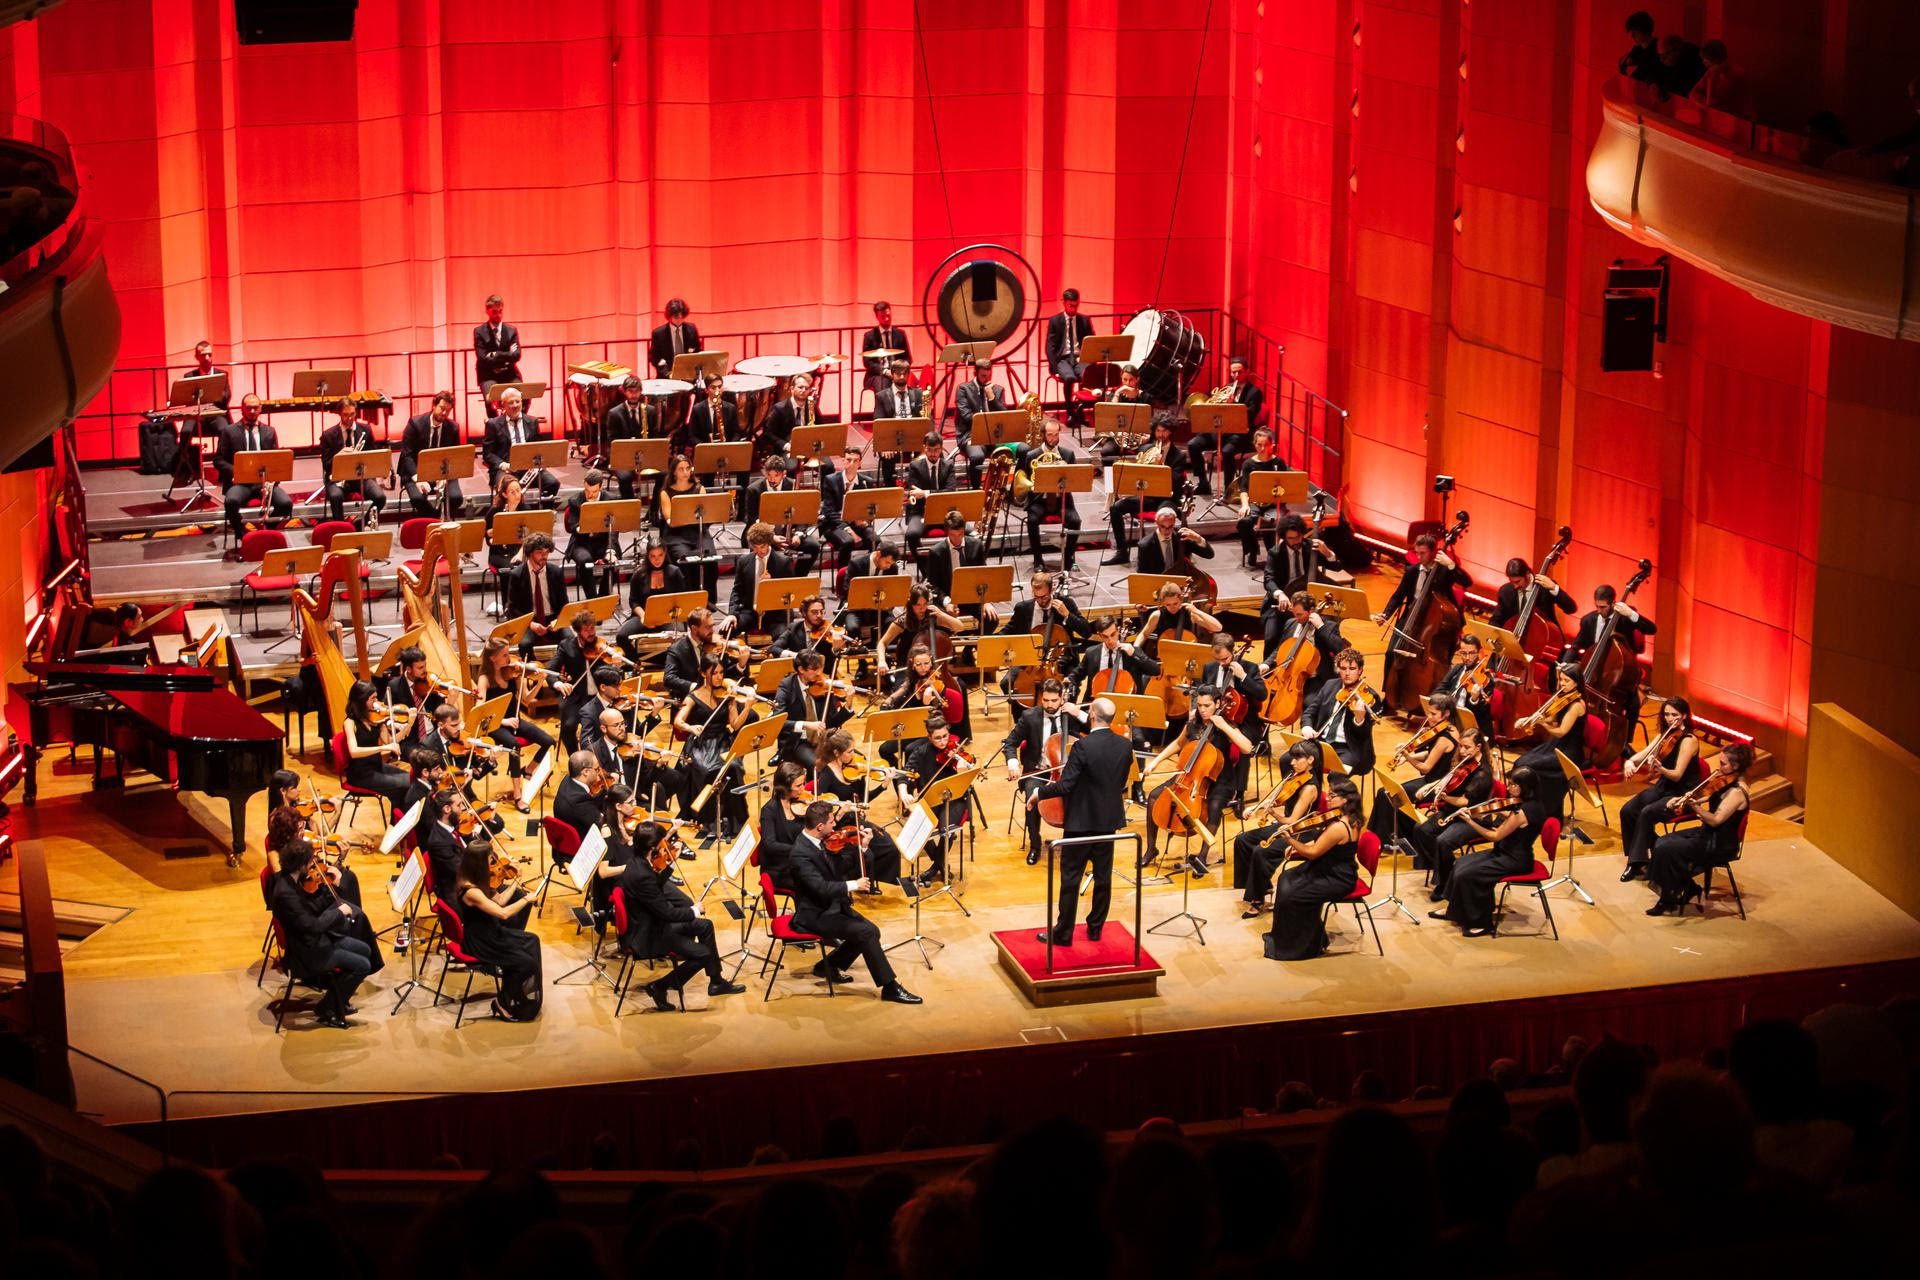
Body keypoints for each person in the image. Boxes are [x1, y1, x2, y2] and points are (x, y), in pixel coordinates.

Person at [787, 800, 922, 1003]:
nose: (836, 826)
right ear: (820, 826)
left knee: (871, 931)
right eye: (832, 822)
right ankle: (890, 987)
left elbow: (843, 867)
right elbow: (821, 888)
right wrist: (854, 885)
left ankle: (828, 966)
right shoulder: (800, 854)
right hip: (815, 914)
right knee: (866, 932)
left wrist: (863, 849)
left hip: (834, 906)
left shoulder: (823, 841)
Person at [1029, 697, 1133, 946]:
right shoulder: (1124, 745)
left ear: (1093, 716)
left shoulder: (1082, 748)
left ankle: (1063, 934)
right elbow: (1121, 783)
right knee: (1103, 877)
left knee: (1071, 878)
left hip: (1081, 823)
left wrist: (1039, 793)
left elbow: (1066, 786)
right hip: (1108, 821)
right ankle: (1095, 928)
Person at [619, 825, 746, 1010]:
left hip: (652, 925)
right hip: (649, 936)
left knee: (706, 926)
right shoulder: (641, 875)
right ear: (653, 846)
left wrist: (670, 864)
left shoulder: (636, 861)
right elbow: (667, 913)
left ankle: (716, 982)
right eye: (663, 841)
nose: (666, 844)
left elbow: (654, 889)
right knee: (704, 954)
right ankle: (659, 986)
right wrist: (693, 910)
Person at [1141, 688, 1253, 878]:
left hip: (1220, 779)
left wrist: (1224, 726)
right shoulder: (1193, 724)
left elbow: (1247, 748)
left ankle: (1202, 856)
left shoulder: (1226, 724)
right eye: (1199, 705)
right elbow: (1178, 744)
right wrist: (1155, 761)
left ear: (1217, 704)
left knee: (1214, 806)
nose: (1202, 710)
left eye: (1207, 706)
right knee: (1153, 796)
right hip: (1190, 775)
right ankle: (1151, 849)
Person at [270, 838, 376, 1029]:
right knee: (363, 965)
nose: (313, 864)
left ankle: (332, 1002)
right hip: (307, 953)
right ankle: (330, 1010)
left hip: (314, 941)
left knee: (365, 949)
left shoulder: (291, 879)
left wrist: (332, 886)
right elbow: (313, 925)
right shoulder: (286, 894)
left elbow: (312, 907)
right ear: (301, 864)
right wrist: (339, 912)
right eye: (310, 861)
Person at [1433, 767, 1546, 937]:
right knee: (1460, 863)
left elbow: (1494, 836)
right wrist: (1494, 811)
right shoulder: (1527, 802)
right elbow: (1507, 819)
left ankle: (1482, 923)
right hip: (1504, 852)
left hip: (1515, 860)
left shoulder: (1523, 812)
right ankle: (1454, 910)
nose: (1508, 788)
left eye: (1513, 785)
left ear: (1525, 786)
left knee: (1470, 874)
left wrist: (1470, 820)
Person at [1263, 776, 1362, 959]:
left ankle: (1304, 946)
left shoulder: (1340, 826)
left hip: (1336, 877)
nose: (1327, 798)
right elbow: (1322, 847)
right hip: (1327, 868)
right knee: (1286, 879)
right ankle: (1290, 938)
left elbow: (1313, 852)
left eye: (1332, 796)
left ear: (1346, 799)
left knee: (1293, 895)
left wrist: (1290, 840)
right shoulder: (1345, 817)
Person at [1646, 744, 1752, 915]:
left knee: (1667, 850)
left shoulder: (1737, 793)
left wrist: (1694, 807)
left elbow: (1716, 820)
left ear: (1736, 766)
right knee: (1661, 842)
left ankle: (1668, 898)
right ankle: (1688, 888)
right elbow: (1709, 796)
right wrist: (1681, 799)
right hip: (1707, 834)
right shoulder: (1725, 781)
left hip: (1719, 843)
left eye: (1723, 764)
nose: (1719, 767)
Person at [1000, 677, 1089, 865]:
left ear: (1062, 699)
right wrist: (1013, 763)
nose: (1049, 705)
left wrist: (1080, 714)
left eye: (1054, 701)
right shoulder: (1030, 717)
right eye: (1045, 700)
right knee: (1033, 797)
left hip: (1068, 773)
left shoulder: (1070, 715)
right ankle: (1035, 844)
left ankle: (1076, 843)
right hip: (1038, 771)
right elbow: (1010, 743)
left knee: (1084, 796)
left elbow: (1096, 729)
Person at [453, 841, 543, 1020]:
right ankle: (503, 1002)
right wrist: (526, 900)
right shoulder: (471, 891)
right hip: (481, 941)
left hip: (491, 931)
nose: (494, 863)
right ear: (479, 862)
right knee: (526, 963)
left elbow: (500, 901)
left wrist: (515, 881)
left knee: (532, 940)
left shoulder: (479, 880)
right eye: (490, 860)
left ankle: (515, 996)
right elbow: (503, 913)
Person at [1619, 697, 1704, 881]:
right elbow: (1641, 755)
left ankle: (1635, 864)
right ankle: (1653, 849)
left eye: (1674, 714)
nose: (1669, 718)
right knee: (1627, 811)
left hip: (1681, 794)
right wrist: (1628, 762)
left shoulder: (1689, 740)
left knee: (1646, 813)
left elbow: (1677, 774)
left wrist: (1660, 768)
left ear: (1683, 716)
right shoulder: (1663, 736)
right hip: (1663, 788)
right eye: (1666, 714)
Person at [1235, 742, 1322, 915]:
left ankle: (1258, 899)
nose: (1292, 762)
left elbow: (1292, 821)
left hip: (1300, 832)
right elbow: (1276, 799)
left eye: (1297, 759)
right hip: (1285, 827)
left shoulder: (1310, 788)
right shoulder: (1295, 776)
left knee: (1261, 851)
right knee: (1242, 840)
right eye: (1293, 758)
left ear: (1310, 760)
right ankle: (1263, 887)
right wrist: (1257, 807)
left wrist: (1273, 813)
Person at [814, 729, 907, 890]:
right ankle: (865, 885)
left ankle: (886, 884)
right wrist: (842, 811)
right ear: (837, 753)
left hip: (856, 821)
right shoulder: (826, 777)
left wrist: (884, 785)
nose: (854, 755)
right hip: (839, 829)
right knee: (868, 852)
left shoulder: (855, 771)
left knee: (891, 847)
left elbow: (865, 799)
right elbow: (821, 813)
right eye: (849, 751)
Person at [676, 657, 757, 838]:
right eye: (715, 673)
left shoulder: (727, 696)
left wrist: (747, 707)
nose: (719, 677)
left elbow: (735, 725)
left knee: (734, 767)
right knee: (706, 769)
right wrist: (690, 727)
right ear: (704, 673)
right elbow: (678, 721)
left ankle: (735, 819)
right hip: (701, 743)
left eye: (721, 673)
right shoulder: (693, 697)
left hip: (723, 741)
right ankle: (710, 819)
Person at [1407, 726, 1494, 896]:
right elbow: (1448, 778)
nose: (1462, 751)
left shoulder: (1483, 773)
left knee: (1443, 842)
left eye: (1466, 747)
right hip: (1452, 812)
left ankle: (1445, 881)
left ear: (1478, 747)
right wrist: (1430, 786)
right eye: (1461, 746)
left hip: (1471, 817)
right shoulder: (1464, 761)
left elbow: (1464, 801)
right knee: (1421, 830)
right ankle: (1446, 870)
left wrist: (1443, 797)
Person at [1367, 693, 1458, 845]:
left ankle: (1383, 842)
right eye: (1429, 712)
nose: (1429, 717)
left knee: (1386, 794)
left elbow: (1427, 767)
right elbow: (1432, 753)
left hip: (1435, 786)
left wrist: (1407, 756)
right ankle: (1401, 836)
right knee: (1388, 794)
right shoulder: (1449, 728)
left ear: (1447, 713)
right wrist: (1407, 757)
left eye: (1433, 714)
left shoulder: (1444, 738)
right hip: (1432, 780)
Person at [1102, 418, 1192, 564]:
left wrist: (1160, 466)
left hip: (1167, 498)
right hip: (1148, 496)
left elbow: (1175, 483)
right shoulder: (1145, 449)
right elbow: (1138, 473)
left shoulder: (1178, 456)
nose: (1161, 435)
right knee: (1115, 508)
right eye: (1158, 431)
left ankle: (1168, 555)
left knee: (1165, 514)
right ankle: (1122, 552)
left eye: (1164, 431)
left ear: (1170, 432)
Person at [895, 716, 972, 884]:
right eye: (938, 738)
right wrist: (903, 792)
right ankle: (941, 865)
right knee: (919, 829)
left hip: (954, 800)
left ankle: (936, 867)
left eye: (945, 736)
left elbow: (967, 781)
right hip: (930, 800)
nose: (943, 741)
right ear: (929, 737)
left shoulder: (956, 751)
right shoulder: (921, 752)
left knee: (947, 829)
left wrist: (962, 771)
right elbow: (905, 774)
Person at [1512, 661, 1588, 820]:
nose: (1562, 684)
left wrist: (1541, 724)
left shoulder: (1577, 705)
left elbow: (1560, 731)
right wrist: (1529, 719)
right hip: (1556, 746)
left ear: (1577, 682)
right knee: (1520, 762)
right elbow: (1551, 718)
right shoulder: (1563, 697)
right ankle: (1526, 805)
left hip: (1568, 752)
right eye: (1561, 680)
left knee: (1527, 766)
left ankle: (1541, 810)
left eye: (1567, 681)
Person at [474, 638, 552, 791]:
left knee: (549, 741)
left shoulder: (513, 673)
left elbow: (526, 699)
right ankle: (518, 793)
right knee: (514, 746)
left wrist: (539, 682)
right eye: (504, 654)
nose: (509, 657)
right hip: (496, 725)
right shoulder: (484, 679)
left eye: (508, 653)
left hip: (515, 720)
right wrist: (504, 721)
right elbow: (480, 709)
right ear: (492, 658)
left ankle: (528, 770)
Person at [219, 395, 292, 544]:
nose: (252, 411)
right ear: (242, 409)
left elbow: (276, 461)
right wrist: (237, 471)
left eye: (255, 407)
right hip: (240, 483)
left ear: (260, 409)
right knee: (231, 501)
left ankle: (265, 532)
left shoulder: (269, 432)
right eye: (248, 408)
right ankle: (244, 535)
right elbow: (218, 460)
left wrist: (272, 482)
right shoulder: (229, 431)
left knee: (286, 504)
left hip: (263, 483)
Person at [1188, 356, 1266, 489]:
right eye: (1233, 372)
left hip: (1240, 435)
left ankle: (1228, 488)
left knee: (1227, 451)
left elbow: (1249, 415)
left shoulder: (1255, 392)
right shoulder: (1226, 388)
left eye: (1239, 372)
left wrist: (1232, 404)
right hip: (1220, 431)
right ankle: (1203, 483)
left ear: (1247, 372)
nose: (1236, 375)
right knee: (1193, 444)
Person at [1015, 417, 1082, 571]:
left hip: (1061, 500)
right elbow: (1024, 477)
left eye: (1056, 434)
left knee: (1076, 521)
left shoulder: (1068, 454)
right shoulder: (1032, 455)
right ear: (1043, 435)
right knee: (1032, 521)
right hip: (1039, 500)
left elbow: (1075, 482)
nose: (1053, 438)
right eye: (1050, 435)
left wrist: (1066, 472)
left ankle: (1069, 557)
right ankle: (1038, 560)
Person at [1263, 590, 1345, 708]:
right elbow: (1281, 648)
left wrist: (1320, 627)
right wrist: (1267, 663)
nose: (1296, 618)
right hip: (1289, 675)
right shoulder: (1290, 624)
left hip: (1316, 678)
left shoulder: (1328, 626)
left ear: (1311, 611)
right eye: (1294, 613)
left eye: (1300, 614)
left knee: (1309, 704)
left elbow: (1339, 649)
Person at [773, 651, 853, 771]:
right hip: (799, 741)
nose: (819, 673)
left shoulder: (824, 686)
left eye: (820, 668)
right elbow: (778, 721)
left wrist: (849, 703)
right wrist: (806, 725)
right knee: (818, 766)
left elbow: (833, 722)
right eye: (814, 669)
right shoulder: (787, 687)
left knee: (854, 761)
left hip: (824, 740)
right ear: (801, 669)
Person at [1301, 649, 1377, 774]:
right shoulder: (1330, 685)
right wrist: (1307, 727)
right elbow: (1310, 712)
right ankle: (1314, 792)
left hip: (1349, 749)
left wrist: (1359, 719)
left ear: (1360, 670)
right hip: (1322, 743)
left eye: (1352, 669)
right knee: (1287, 760)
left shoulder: (1370, 697)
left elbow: (1363, 736)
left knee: (1336, 775)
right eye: (1343, 668)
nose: (1347, 673)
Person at [744, 454, 821, 574]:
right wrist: (771, 536)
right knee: (761, 545)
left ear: (784, 473)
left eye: (776, 475)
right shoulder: (754, 489)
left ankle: (798, 578)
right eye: (769, 475)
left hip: (789, 532)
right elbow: (752, 518)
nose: (771, 479)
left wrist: (798, 535)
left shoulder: (793, 485)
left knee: (814, 546)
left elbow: (800, 514)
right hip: (765, 533)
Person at [342, 680, 411, 811]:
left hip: (377, 767)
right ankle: (397, 821)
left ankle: (398, 820)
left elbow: (390, 742)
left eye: (376, 697)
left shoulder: (376, 719)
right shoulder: (350, 722)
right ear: (361, 700)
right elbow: (354, 751)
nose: (376, 702)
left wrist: (409, 725)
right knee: (404, 785)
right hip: (360, 774)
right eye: (372, 698)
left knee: (412, 780)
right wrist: (383, 748)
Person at [482, 387, 560, 503]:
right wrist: (503, 465)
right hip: (506, 469)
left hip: (529, 468)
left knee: (552, 483)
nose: (515, 405)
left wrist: (537, 462)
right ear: (503, 404)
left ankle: (542, 515)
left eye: (517, 401)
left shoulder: (532, 422)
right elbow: (487, 454)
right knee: (507, 487)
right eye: (511, 402)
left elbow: (538, 448)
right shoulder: (493, 424)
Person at [317, 397, 387, 525]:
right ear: (339, 414)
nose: (349, 418)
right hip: (337, 478)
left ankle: (359, 525)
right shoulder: (328, 435)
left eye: (352, 414)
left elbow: (372, 456)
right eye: (345, 415)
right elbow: (326, 464)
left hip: (361, 476)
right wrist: (341, 457)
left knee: (380, 497)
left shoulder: (365, 430)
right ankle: (341, 529)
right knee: (335, 496)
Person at [398, 390, 464, 517]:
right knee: (418, 499)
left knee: (456, 498)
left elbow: (455, 456)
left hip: (442, 473)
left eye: (448, 411)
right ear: (433, 405)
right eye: (442, 408)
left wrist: (445, 477)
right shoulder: (415, 424)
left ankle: (434, 518)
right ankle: (435, 519)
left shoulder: (453, 428)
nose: (444, 413)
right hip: (416, 472)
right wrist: (418, 479)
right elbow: (407, 455)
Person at [728, 521, 799, 635]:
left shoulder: (783, 562)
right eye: (754, 547)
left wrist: (771, 585)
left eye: (762, 546)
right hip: (751, 612)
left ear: (769, 543)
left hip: (775, 614)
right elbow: (737, 591)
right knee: (726, 630)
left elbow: (790, 595)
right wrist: (732, 613)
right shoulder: (744, 561)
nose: (758, 551)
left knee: (783, 636)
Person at [505, 532, 569, 654]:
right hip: (530, 619)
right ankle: (532, 672)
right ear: (529, 554)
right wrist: (531, 624)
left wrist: (557, 621)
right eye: (540, 552)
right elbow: (513, 607)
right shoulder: (517, 575)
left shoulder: (556, 572)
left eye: (546, 552)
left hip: (553, 618)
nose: (544, 556)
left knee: (571, 640)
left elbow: (564, 603)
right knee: (525, 644)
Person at [1232, 429, 1287, 566]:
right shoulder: (1249, 464)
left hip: (1274, 504)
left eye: (1266, 445)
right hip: (1255, 503)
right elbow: (1244, 489)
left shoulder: (1278, 463)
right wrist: (1245, 505)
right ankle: (1252, 549)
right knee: (1244, 522)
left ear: (1271, 445)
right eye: (1259, 445)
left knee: (1272, 521)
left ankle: (1272, 555)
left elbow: (1286, 486)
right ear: (1255, 445)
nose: (1263, 449)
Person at [953, 357, 1008, 486]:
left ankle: (1008, 491)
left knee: (1023, 449)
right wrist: (988, 423)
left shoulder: (997, 390)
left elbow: (1004, 415)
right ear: (975, 373)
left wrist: (992, 398)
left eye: (989, 375)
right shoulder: (963, 389)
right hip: (971, 435)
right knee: (977, 456)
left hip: (995, 437)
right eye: (983, 376)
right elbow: (967, 416)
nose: (987, 379)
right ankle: (976, 490)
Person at [561, 469, 617, 596]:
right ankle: (592, 599)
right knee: (584, 560)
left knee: (612, 561)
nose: (590, 496)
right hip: (582, 543)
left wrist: (610, 550)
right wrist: (587, 523)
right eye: (587, 491)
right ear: (584, 484)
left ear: (600, 488)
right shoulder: (575, 500)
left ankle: (604, 597)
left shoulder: (611, 499)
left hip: (604, 542)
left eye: (594, 492)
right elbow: (573, 527)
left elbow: (614, 530)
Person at [902, 430, 959, 552]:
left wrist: (925, 493)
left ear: (941, 449)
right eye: (929, 450)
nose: (933, 454)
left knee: (970, 533)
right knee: (911, 535)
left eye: (937, 450)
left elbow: (950, 492)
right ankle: (926, 568)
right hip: (921, 512)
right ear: (924, 448)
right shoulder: (914, 466)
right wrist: (937, 493)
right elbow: (914, 493)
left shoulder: (949, 466)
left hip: (946, 513)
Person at [756, 761, 811, 886]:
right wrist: (799, 849)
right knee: (816, 882)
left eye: (803, 783)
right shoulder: (769, 811)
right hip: (778, 869)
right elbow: (771, 845)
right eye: (799, 785)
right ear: (785, 787)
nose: (803, 788)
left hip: (798, 862)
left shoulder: (800, 805)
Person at [872, 360, 925, 485]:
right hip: (891, 440)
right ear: (892, 374)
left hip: (914, 439)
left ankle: (920, 490)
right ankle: (890, 492)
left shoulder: (918, 394)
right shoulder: (882, 396)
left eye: (904, 374)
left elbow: (927, 418)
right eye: (898, 374)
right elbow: (878, 422)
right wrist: (885, 445)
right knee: (887, 456)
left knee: (933, 452)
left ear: (908, 374)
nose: (902, 377)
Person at [1267, 513, 1339, 598]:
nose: (1296, 541)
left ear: (1302, 534)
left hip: (1311, 592)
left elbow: (1337, 568)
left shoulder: (1311, 546)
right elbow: (1268, 580)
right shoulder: (1275, 553)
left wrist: (1327, 553)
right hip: (1286, 593)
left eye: (1298, 536)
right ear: (1284, 538)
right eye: (1291, 538)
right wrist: (1279, 594)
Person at [1045, 287, 1088, 427]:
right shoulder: (1055, 321)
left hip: (1079, 357)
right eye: (1070, 305)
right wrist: (1054, 367)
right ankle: (1070, 412)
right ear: (1064, 303)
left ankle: (1081, 411)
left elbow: (1092, 341)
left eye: (1076, 305)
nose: (1073, 309)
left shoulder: (1084, 320)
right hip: (1062, 359)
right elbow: (1050, 347)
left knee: (1086, 375)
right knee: (1069, 377)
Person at [1135, 506, 1212, 578]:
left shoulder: (1182, 537)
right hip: (1158, 584)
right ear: (1156, 523)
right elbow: (1142, 575)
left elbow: (1209, 555)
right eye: (1163, 526)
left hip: (1182, 580)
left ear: (1174, 522)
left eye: (1170, 526)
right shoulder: (1145, 545)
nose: (1167, 531)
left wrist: (1198, 538)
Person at [762, 371, 823, 456]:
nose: (803, 390)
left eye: (806, 388)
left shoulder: (812, 405)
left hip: (810, 447)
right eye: (800, 387)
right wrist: (786, 446)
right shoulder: (779, 408)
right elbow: (768, 433)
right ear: (792, 388)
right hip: (788, 448)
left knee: (828, 466)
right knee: (791, 467)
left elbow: (822, 428)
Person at [474, 294, 521, 395]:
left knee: (523, 396)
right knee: (491, 399)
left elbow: (517, 355)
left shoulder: (511, 330)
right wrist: (508, 355)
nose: (498, 315)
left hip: (509, 373)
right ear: (487, 311)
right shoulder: (479, 331)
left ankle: (519, 412)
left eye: (500, 311)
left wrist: (496, 354)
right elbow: (482, 358)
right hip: (488, 374)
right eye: (494, 312)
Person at [859, 300, 911, 392]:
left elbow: (908, 358)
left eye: (888, 315)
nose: (887, 319)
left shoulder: (900, 334)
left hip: (898, 373)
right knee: (885, 384)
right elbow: (868, 363)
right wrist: (885, 371)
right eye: (883, 317)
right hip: (877, 375)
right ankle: (883, 406)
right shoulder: (870, 336)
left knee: (915, 385)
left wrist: (900, 370)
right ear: (877, 317)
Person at [484, 474, 531, 573]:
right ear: (505, 495)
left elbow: (528, 536)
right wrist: (493, 535)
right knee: (508, 570)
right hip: (499, 552)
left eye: (518, 490)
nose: (517, 495)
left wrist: (520, 554)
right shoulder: (495, 511)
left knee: (523, 567)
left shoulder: (525, 509)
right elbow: (486, 534)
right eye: (512, 492)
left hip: (520, 549)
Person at [1688, 39, 1746, 111]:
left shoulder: (1737, 75)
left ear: (1717, 60)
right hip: (1717, 115)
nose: (1704, 64)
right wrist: (1704, 104)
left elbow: (1713, 103)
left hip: (1735, 118)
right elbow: (1694, 92)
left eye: (1707, 62)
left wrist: (1713, 76)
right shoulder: (1710, 71)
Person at [648, 298, 701, 377]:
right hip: (666, 376)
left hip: (688, 374)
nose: (680, 318)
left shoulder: (692, 329)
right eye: (676, 316)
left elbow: (698, 351)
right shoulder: (658, 333)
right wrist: (669, 373)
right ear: (669, 316)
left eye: (682, 315)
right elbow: (655, 358)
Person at [1656, 32, 1707, 100]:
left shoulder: (1693, 60)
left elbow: (1680, 87)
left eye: (1665, 55)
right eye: (1660, 56)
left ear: (1677, 50)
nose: (1661, 60)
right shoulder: (1672, 61)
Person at [1618, 11, 1661, 86]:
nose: (1632, 36)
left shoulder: (1659, 49)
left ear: (1644, 30)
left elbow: (1638, 75)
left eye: (1635, 33)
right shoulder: (1637, 49)